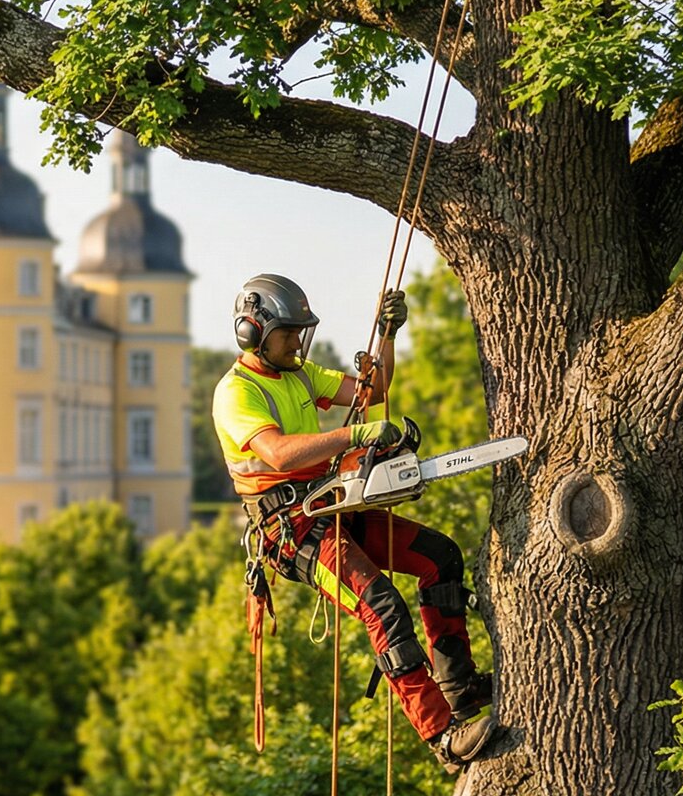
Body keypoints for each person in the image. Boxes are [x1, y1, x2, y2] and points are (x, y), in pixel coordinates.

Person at [211, 273, 499, 769]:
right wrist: (354, 436)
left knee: (439, 557)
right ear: (253, 332)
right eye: (288, 333)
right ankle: (441, 736)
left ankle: (460, 687)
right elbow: (277, 454)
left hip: (332, 503)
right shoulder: (236, 392)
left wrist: (386, 334)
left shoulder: (299, 372)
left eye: (302, 331)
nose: (298, 341)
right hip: (291, 530)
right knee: (380, 603)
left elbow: (373, 388)